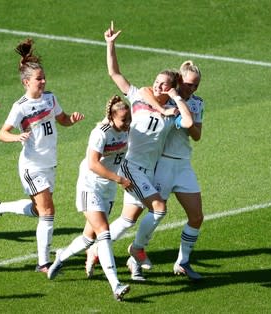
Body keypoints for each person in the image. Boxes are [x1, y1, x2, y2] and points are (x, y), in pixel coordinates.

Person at [86, 22, 193, 281]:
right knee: (158, 209)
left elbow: (189, 124)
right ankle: (135, 250)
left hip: (148, 169)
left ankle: (96, 250)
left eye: (164, 84)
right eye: (157, 82)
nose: (157, 86)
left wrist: (176, 99)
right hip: (130, 166)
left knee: (128, 218)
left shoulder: (173, 112)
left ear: (172, 87)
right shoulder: (139, 98)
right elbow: (115, 73)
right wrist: (110, 44)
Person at [0, 38, 84, 274]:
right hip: (32, 165)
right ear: (26, 82)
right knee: (48, 212)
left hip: (49, 163)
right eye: (38, 79)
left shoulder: (50, 98)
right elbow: (2, 134)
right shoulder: (20, 106)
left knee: (37, 209)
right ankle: (43, 263)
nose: (42, 82)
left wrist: (72, 119)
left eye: (43, 78)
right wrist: (16, 138)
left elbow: (62, 120)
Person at [47, 95, 131, 301]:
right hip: (89, 186)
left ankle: (61, 257)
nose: (127, 124)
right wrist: (119, 178)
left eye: (129, 119)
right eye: (123, 120)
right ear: (111, 118)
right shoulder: (100, 133)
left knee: (89, 238)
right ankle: (116, 284)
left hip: (107, 189)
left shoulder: (128, 130)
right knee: (104, 231)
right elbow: (93, 164)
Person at [138, 61, 204, 280]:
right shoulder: (164, 99)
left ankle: (182, 262)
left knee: (196, 217)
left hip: (183, 164)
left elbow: (196, 134)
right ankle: (135, 253)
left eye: (195, 86)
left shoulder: (196, 103)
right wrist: (173, 101)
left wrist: (186, 116)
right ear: (178, 82)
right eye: (188, 84)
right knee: (156, 213)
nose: (191, 89)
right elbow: (142, 92)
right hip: (163, 164)